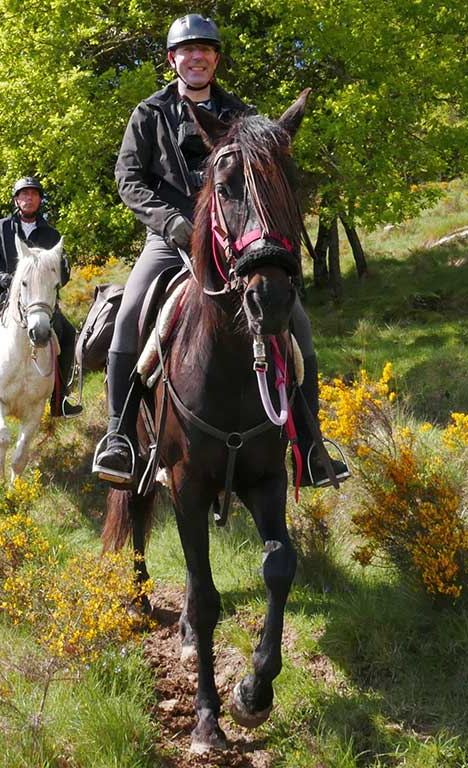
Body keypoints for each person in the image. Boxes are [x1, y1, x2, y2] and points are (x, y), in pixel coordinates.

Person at [92, 13, 350, 488]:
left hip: (234, 238)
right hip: (169, 237)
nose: (197, 57)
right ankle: (119, 437)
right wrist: (170, 221)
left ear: (215, 59)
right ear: (173, 60)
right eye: (187, 51)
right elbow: (128, 180)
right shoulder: (148, 114)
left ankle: (311, 446)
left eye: (206, 50)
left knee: (297, 322)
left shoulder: (243, 115)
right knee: (129, 313)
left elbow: (265, 173)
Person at [0, 176, 82, 418]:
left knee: (69, 334)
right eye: (23, 194)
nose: (28, 198)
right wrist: (2, 278)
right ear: (16, 200)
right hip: (0, 292)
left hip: (38, 299)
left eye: (33, 194)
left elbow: (62, 272)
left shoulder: (51, 235)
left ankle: (60, 398)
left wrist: (60, 271)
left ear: (40, 199)